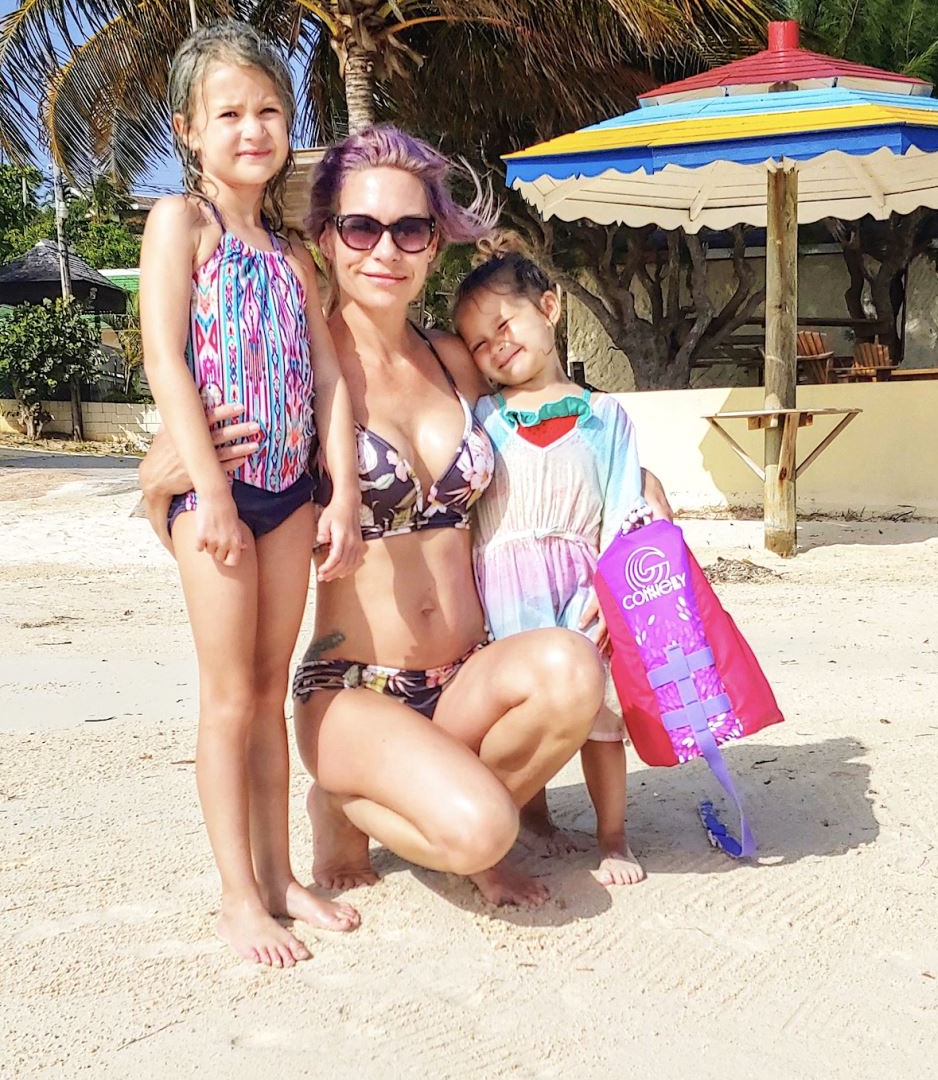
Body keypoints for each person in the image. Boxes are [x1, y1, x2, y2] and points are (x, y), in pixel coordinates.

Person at [142, 124, 608, 910]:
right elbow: (211, 482)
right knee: (483, 836)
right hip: (356, 687)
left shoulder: (453, 360)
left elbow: (546, 436)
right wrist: (157, 482)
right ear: (325, 238)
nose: (384, 249)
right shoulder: (294, 372)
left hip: (465, 675)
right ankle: (349, 800)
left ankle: (436, 794)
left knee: (573, 673)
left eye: (410, 228)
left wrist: (642, 489)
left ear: (432, 245)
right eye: (361, 227)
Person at [138, 20, 362, 968]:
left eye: (268, 110)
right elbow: (164, 359)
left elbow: (328, 383)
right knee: (229, 697)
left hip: (293, 493)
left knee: (270, 692)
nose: (252, 129)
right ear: (191, 129)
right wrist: (212, 496)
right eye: (228, 113)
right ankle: (237, 897)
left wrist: (341, 493)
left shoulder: (293, 254)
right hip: (221, 499)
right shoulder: (179, 224)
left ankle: (279, 880)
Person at [452, 245, 658, 885]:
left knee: (601, 719)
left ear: (551, 307)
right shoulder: (483, 419)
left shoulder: (605, 417)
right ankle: (533, 816)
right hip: (504, 599)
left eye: (505, 325)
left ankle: (614, 837)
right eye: (479, 343)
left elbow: (626, 510)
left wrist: (616, 590)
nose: (496, 348)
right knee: (524, 711)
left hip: (583, 595)